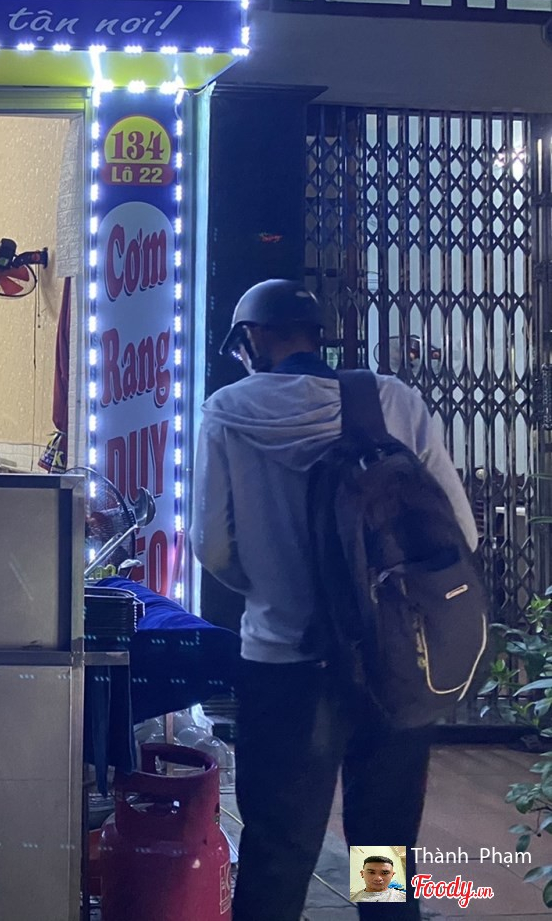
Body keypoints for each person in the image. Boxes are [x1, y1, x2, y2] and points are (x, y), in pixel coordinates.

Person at [192, 279, 476, 921]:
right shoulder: (394, 401)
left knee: (279, 845)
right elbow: (460, 529)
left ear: (253, 338)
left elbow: (212, 545)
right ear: (317, 336)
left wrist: (269, 591)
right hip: (391, 662)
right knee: (384, 846)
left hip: (285, 664)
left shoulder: (228, 412)